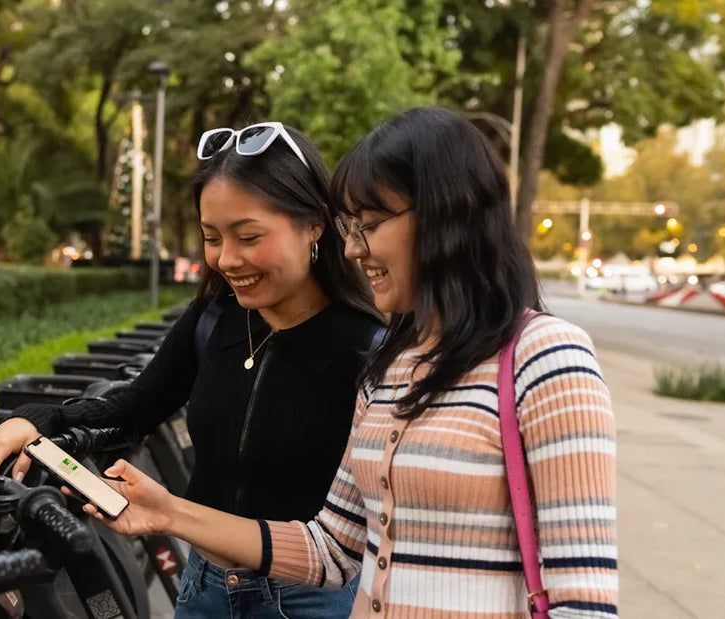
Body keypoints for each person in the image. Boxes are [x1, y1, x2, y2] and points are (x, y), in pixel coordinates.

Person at [78, 108, 619, 618]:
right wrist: (168, 512)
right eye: (351, 226)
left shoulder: (546, 358)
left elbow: (583, 597)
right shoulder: (388, 368)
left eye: (372, 223)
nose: (355, 249)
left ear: (448, 212)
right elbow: (332, 549)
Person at [0, 121, 385, 618]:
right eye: (212, 237)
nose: (227, 259)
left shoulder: (370, 349)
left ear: (314, 223)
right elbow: (133, 409)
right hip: (205, 588)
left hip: (313, 602)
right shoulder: (215, 318)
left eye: (248, 236)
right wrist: (43, 421)